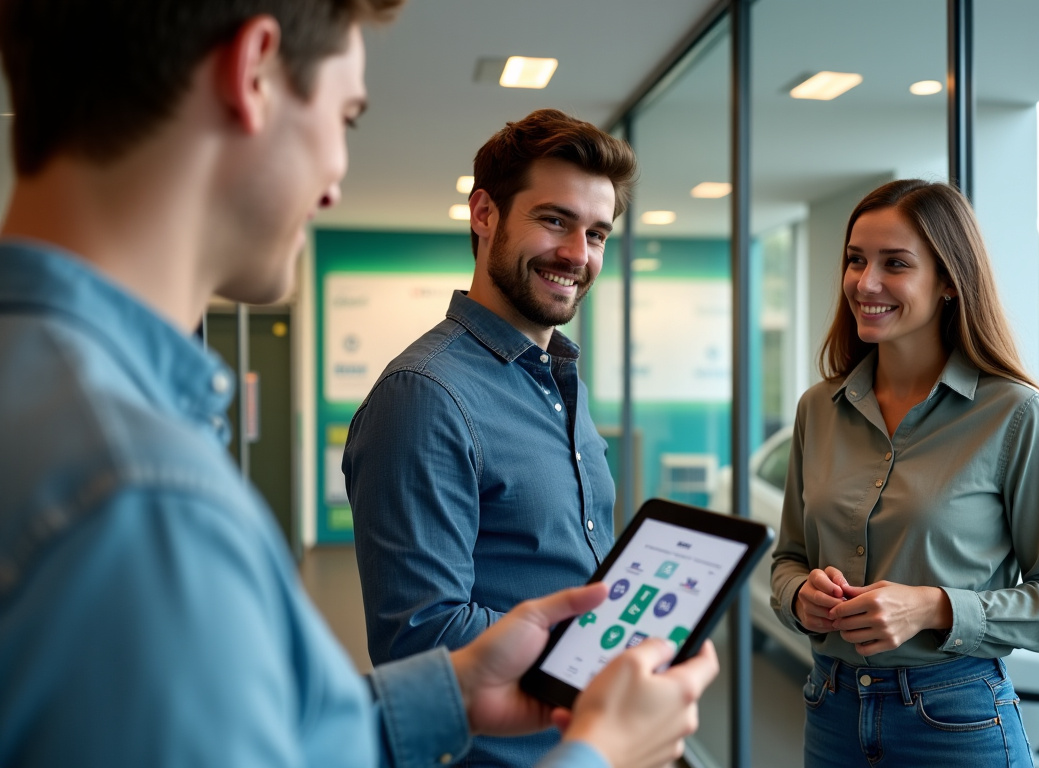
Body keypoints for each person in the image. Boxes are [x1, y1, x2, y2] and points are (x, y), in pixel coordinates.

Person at [0, 3, 717, 767]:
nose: (337, 179)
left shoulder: (78, 412)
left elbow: (278, 736)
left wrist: (457, 689)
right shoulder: (142, 487)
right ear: (254, 73)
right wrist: (602, 753)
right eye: (346, 116)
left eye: (598, 232)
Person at [343, 109, 630, 767]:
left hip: (588, 741)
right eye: (554, 220)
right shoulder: (423, 396)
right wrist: (600, 648)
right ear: (483, 215)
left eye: (597, 233)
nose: (577, 254)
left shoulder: (559, 379)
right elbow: (423, 641)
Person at [770, 180, 1039, 767]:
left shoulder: (1014, 414)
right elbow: (787, 559)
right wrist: (799, 597)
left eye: (895, 264)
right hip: (831, 710)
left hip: (955, 720)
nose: (866, 283)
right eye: (856, 260)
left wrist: (934, 607)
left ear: (948, 281)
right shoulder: (819, 407)